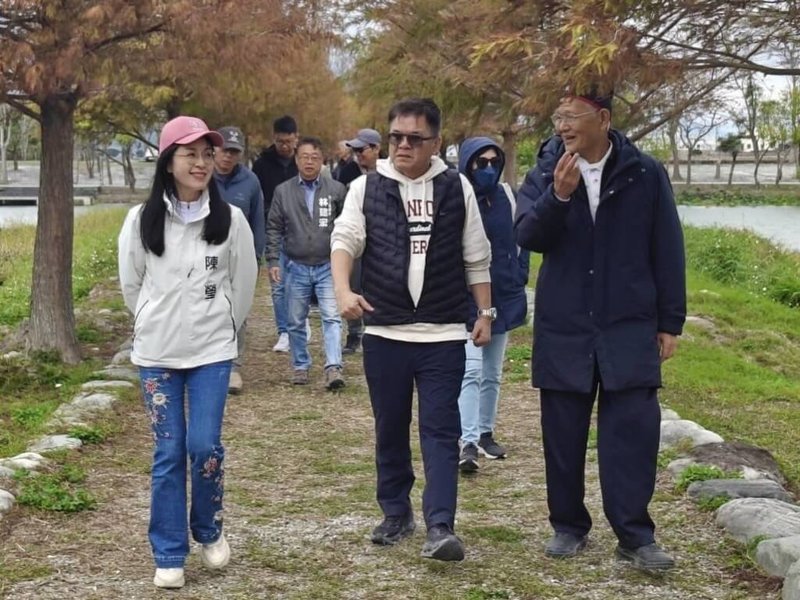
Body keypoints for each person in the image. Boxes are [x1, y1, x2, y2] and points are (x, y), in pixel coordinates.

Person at [514, 86, 686, 571]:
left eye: (572, 116)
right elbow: (526, 235)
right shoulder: (547, 171)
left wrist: (670, 320)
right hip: (565, 324)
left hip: (628, 324)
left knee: (632, 434)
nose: (563, 126)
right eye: (558, 116)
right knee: (563, 434)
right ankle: (568, 526)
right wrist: (559, 196)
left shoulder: (644, 172)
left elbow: (667, 248)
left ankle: (635, 535)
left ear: (604, 118)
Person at [331, 98, 492, 562]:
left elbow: (476, 257)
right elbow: (345, 241)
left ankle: (440, 525)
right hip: (385, 333)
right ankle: (395, 511)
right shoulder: (367, 188)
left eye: (414, 138)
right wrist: (343, 292)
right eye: (396, 136)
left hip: (442, 334)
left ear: (435, 143)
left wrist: (484, 313)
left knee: (441, 430)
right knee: (390, 428)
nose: (403, 145)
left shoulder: (455, 187)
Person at [118, 116, 258, 589]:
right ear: (168, 161)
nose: (201, 163)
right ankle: (170, 552)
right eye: (189, 154)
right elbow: (131, 283)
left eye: (206, 153)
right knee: (169, 451)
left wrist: (224, 326)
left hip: (211, 352)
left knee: (203, 446)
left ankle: (209, 527)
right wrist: (151, 321)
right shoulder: (140, 220)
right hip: (157, 355)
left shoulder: (230, 220)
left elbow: (244, 282)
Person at [455, 137, 529, 473]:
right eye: (479, 162)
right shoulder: (457, 195)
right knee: (470, 368)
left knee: (493, 372)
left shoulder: (507, 196)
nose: (487, 168)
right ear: (467, 163)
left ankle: (485, 431)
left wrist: (520, 273)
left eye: (492, 162)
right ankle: (466, 440)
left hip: (503, 294)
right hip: (467, 298)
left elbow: (522, 237)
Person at [266, 136, 347, 390]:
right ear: (296, 159)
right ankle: (301, 364)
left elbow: (346, 226)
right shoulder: (284, 191)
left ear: (322, 161)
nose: (309, 162)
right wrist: (273, 259)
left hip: (327, 264)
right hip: (296, 264)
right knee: (295, 319)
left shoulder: (335, 190)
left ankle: (333, 366)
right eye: (304, 157)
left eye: (314, 157)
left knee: (332, 317)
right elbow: (274, 228)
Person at [213, 126, 266, 394]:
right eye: (224, 151)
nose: (228, 157)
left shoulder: (250, 181)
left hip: (239, 257)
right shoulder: (202, 177)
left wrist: (257, 256)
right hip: (207, 256)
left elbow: (258, 221)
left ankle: (234, 366)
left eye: (234, 152)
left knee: (239, 311)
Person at [252, 115, 299, 353]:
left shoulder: (303, 160)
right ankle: (284, 331)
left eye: (289, 141)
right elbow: (258, 201)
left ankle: (298, 325)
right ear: (274, 138)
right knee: (278, 283)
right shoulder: (262, 165)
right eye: (280, 141)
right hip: (274, 230)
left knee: (299, 281)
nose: (284, 146)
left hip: (301, 231)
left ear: (296, 139)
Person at [340, 128, 383, 355]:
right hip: (355, 238)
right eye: (354, 150)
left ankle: (376, 331)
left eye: (362, 149)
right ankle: (354, 333)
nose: (358, 154)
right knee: (354, 283)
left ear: (376, 149)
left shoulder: (389, 173)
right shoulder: (346, 172)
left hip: (382, 238)